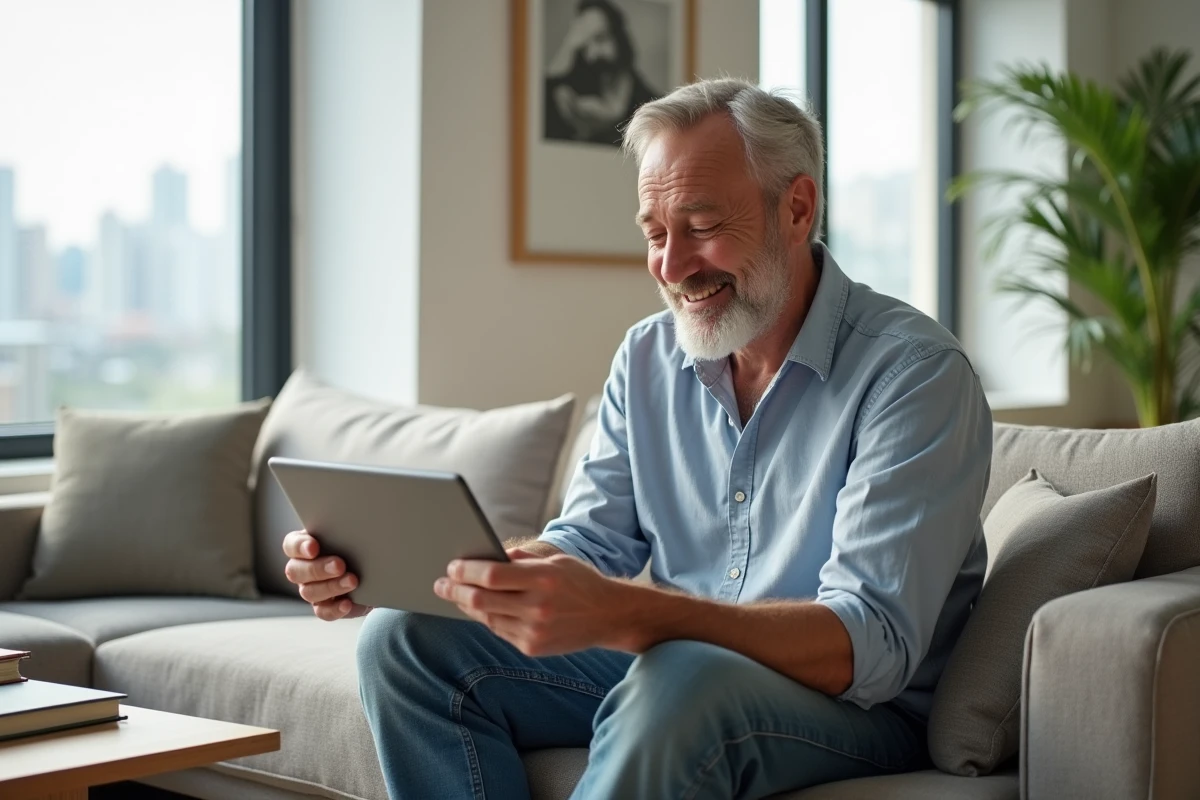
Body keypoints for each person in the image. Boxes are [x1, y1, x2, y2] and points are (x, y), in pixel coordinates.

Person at [283, 78, 992, 799]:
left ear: (797, 208)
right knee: (406, 641)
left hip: (855, 711)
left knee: (682, 674)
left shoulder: (914, 374)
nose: (672, 266)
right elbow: (590, 541)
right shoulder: (649, 357)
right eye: (655, 233)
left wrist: (631, 612)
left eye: (703, 225)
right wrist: (428, 575)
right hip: (682, 673)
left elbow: (868, 642)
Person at [543, 0, 660, 146]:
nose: (592, 54)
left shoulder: (653, 106)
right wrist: (566, 50)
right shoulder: (567, 100)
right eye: (585, 45)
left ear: (619, 38)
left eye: (601, 38)